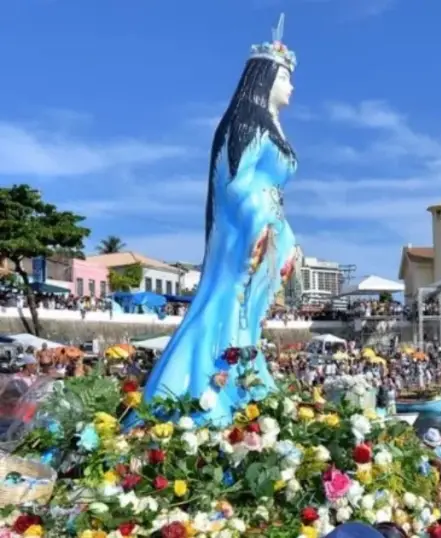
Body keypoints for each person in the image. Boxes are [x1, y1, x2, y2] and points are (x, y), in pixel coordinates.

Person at [135, 14, 299, 426]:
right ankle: (204, 393)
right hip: (244, 231)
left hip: (268, 228)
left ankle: (245, 380)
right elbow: (235, 184)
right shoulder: (246, 122)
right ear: (265, 81)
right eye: (285, 78)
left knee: (250, 318)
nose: (291, 87)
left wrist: (286, 237)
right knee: (229, 304)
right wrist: (259, 224)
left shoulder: (270, 125)